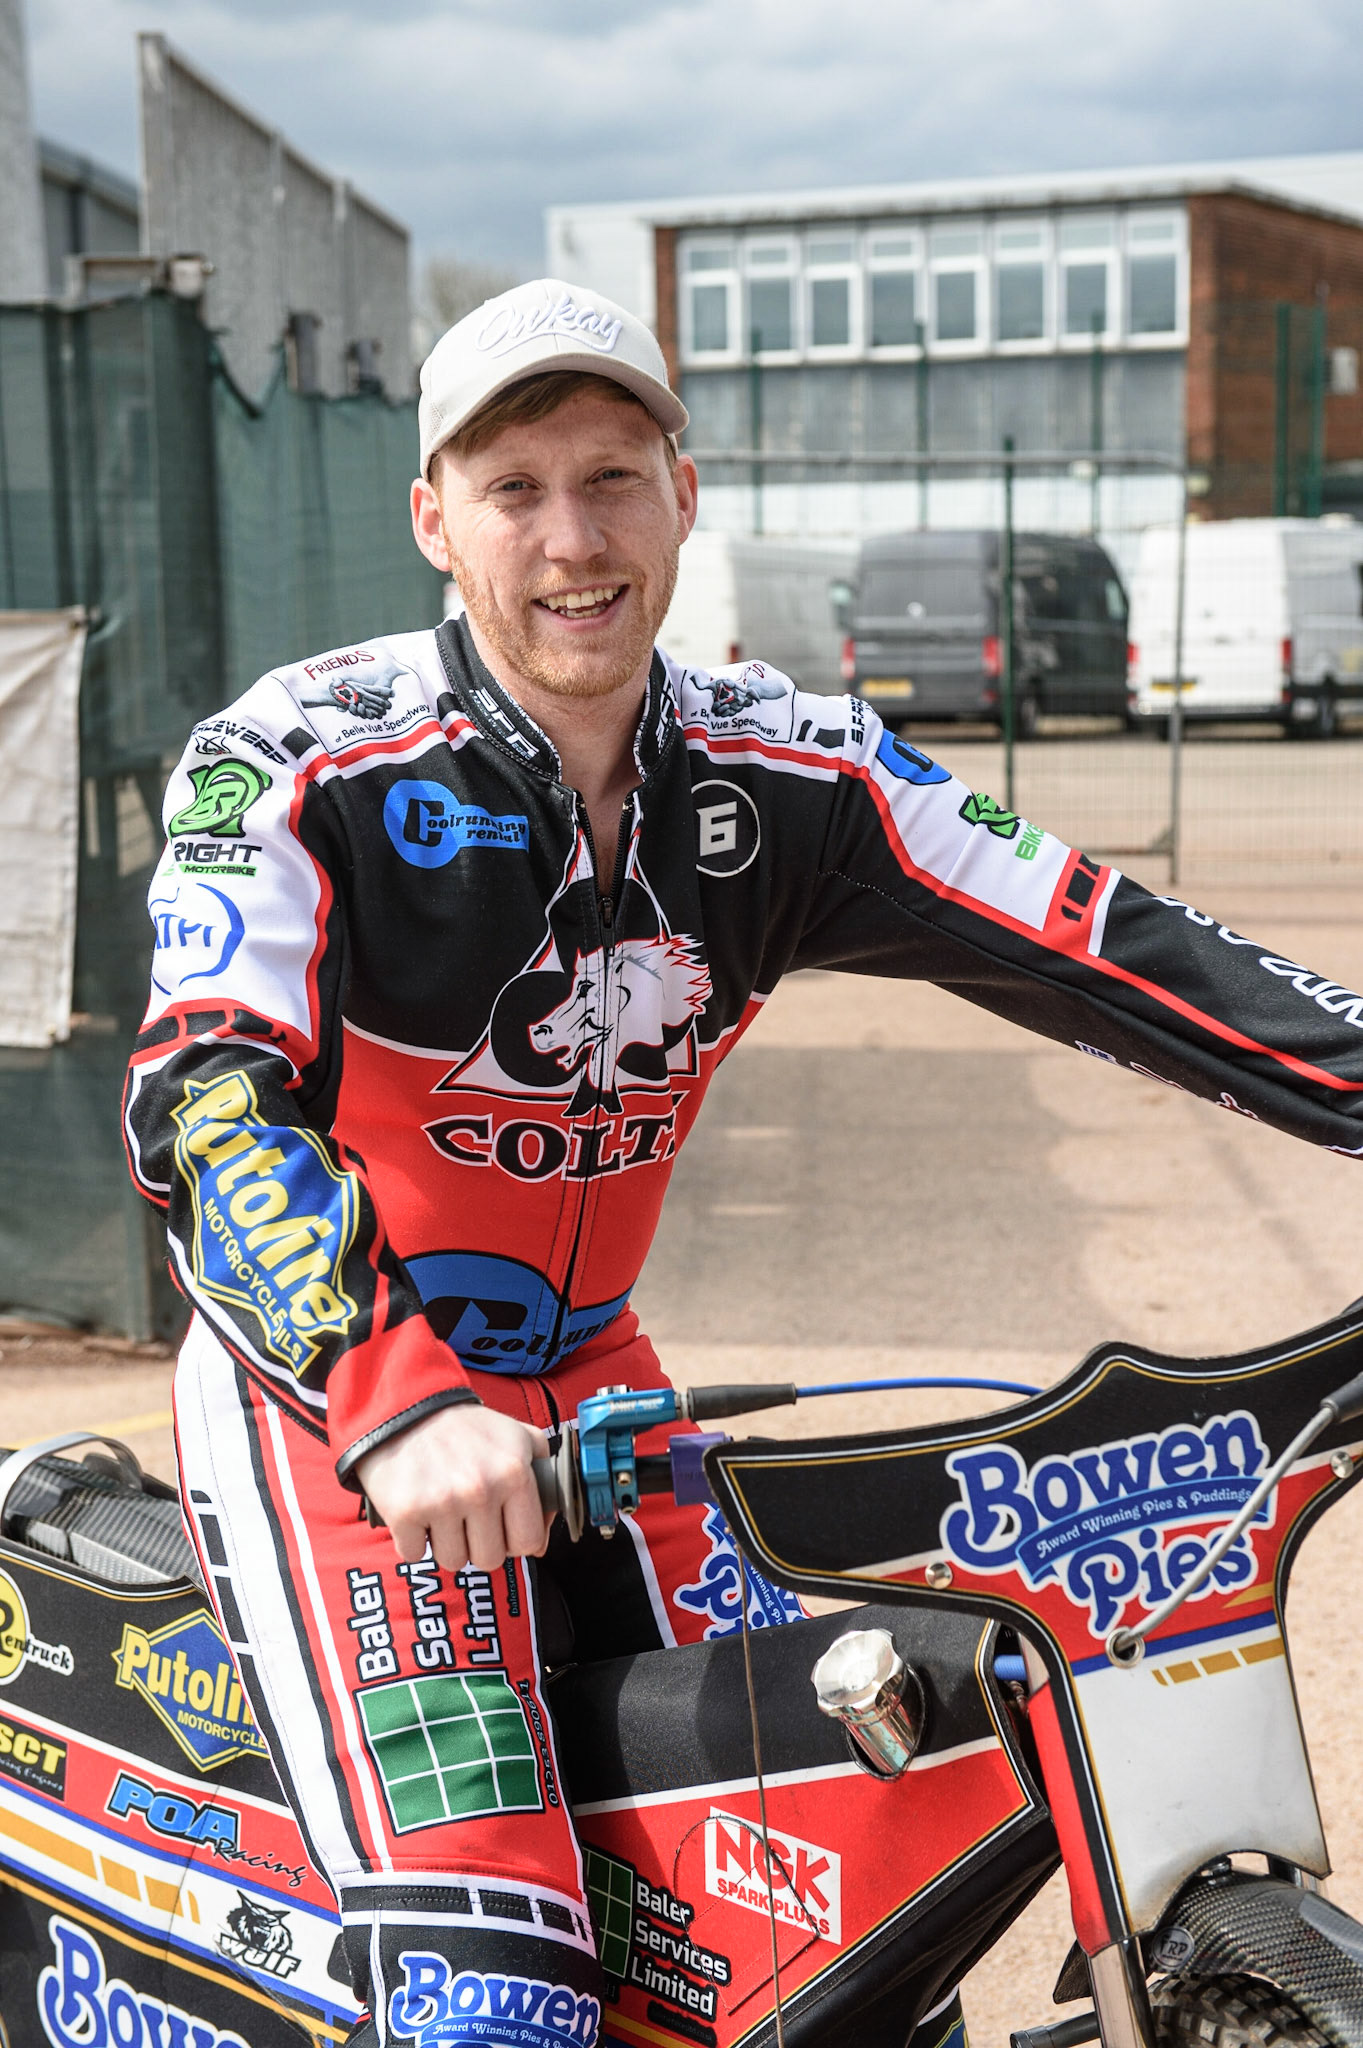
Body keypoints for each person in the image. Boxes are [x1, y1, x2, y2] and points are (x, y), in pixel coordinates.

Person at [125, 277, 1363, 2048]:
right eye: (516, 489)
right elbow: (205, 1102)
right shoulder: (301, 759)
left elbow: (1116, 942)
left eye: (616, 477)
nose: (574, 540)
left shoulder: (792, 772)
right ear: (433, 522)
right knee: (497, 1992)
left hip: (601, 1390)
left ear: (685, 496)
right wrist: (392, 1394)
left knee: (846, 1900)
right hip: (344, 1413)